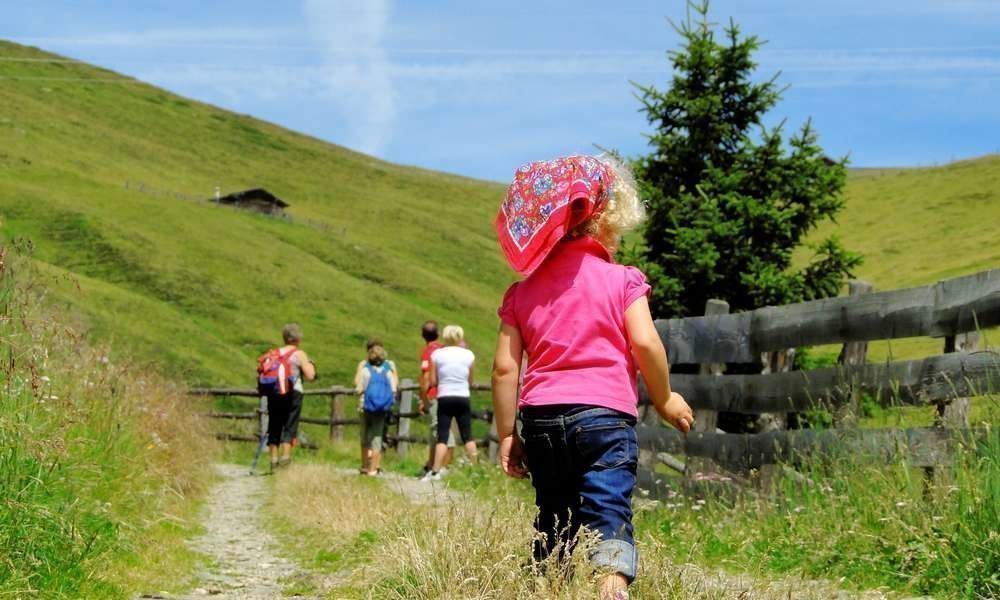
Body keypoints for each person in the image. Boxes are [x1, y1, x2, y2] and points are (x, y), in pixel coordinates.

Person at [490, 155, 694, 600]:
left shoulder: (522, 293)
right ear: (608, 220)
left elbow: (505, 367)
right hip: (605, 418)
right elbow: (646, 344)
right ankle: (612, 587)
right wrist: (665, 398)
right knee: (608, 510)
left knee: (555, 517)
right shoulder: (622, 280)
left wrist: (507, 434)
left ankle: (552, 585)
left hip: (541, 419)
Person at [421, 325, 478, 481]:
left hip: (445, 396)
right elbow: (471, 380)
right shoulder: (469, 355)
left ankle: (435, 471)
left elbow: (433, 380)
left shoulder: (437, 354)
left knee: (442, 436)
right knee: (468, 435)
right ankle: (476, 470)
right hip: (463, 396)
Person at [262, 323, 316, 471]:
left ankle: (273, 460)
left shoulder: (274, 353)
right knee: (289, 424)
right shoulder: (299, 354)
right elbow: (310, 376)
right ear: (298, 339)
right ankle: (285, 459)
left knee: (274, 424)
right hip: (293, 392)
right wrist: (310, 364)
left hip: (275, 393)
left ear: (284, 338)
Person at [354, 339, 398, 476]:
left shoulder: (365, 369)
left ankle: (365, 465)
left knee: (365, 435)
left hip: (365, 406)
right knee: (378, 436)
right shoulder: (388, 369)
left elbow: (358, 388)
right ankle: (374, 468)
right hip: (382, 408)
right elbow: (394, 388)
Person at [417, 320, 455, 475]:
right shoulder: (445, 349)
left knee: (439, 429)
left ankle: (442, 467)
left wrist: (423, 398)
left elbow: (426, 377)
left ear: (423, 335)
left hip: (436, 394)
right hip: (451, 392)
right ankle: (434, 465)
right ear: (438, 335)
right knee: (442, 429)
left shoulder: (429, 351)